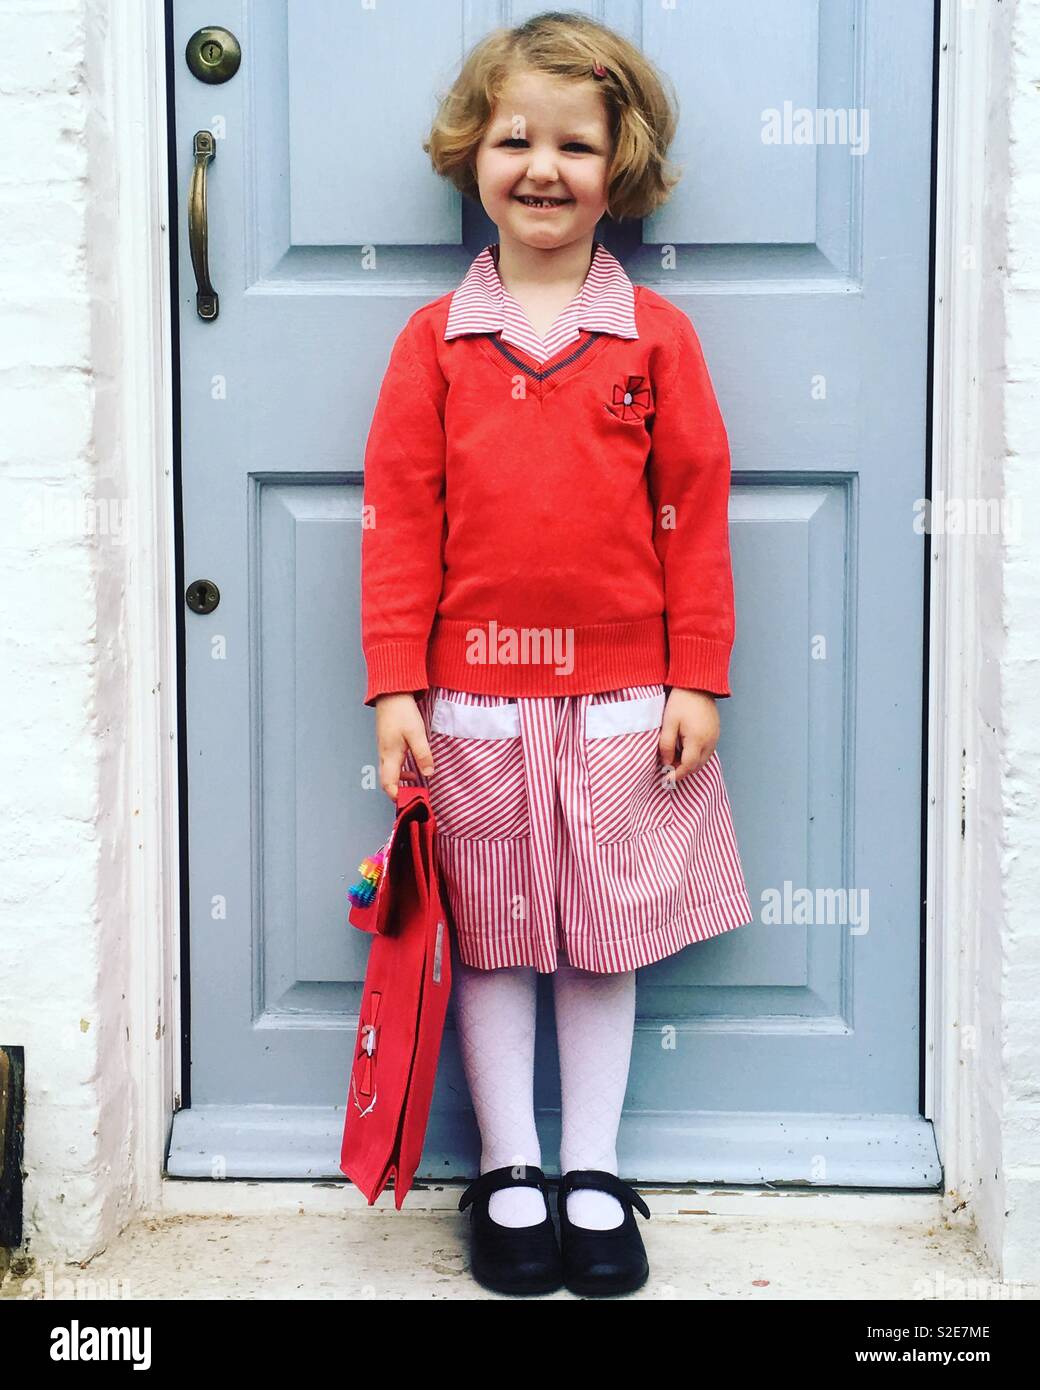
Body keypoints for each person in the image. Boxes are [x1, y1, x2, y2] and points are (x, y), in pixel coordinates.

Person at [359, 11, 753, 1297]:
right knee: (492, 933)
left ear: (617, 165)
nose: (540, 166)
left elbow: (693, 514)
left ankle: (592, 1166)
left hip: (621, 705)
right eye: (513, 138)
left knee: (599, 935)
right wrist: (394, 684)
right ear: (471, 152)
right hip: (471, 701)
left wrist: (696, 673)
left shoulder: (655, 338)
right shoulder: (434, 342)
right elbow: (397, 524)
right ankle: (511, 1170)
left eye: (573, 145)